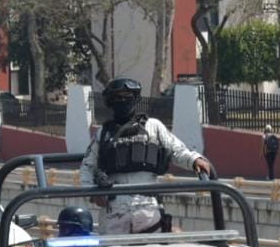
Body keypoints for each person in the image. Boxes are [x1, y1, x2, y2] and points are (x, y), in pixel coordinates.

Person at [80, 78, 213, 234]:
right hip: (114, 213)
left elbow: (176, 150)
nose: (123, 101)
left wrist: (194, 160)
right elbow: (87, 167)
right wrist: (92, 194)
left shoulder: (153, 126)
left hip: (148, 209)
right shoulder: (103, 133)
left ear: (136, 99)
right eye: (118, 97)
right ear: (110, 101)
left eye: (127, 96)